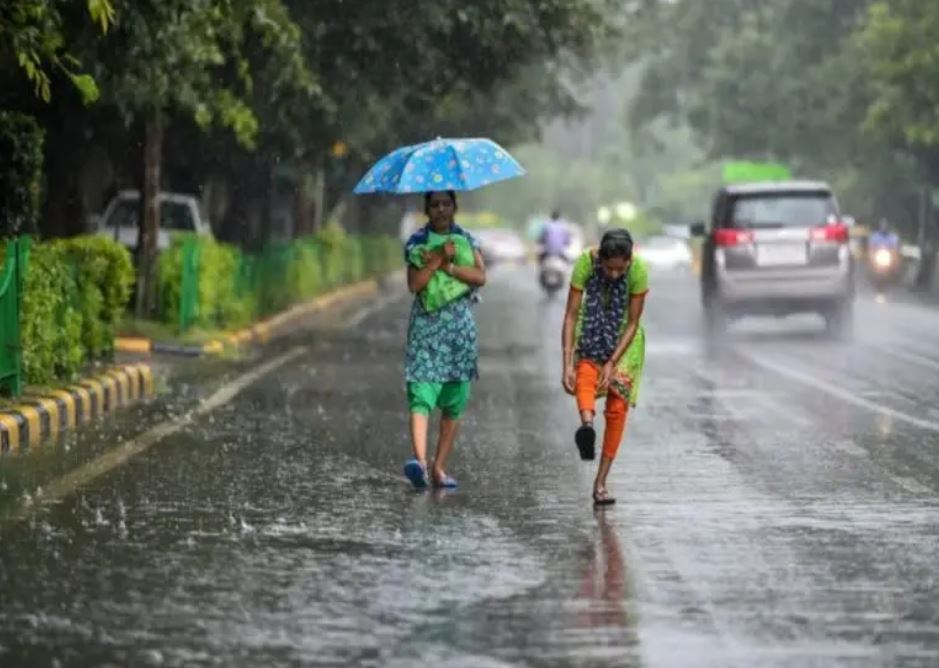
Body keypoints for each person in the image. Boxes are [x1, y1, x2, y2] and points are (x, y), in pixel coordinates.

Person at [402, 190, 487, 490]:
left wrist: (450, 265)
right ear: (427, 208)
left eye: (446, 204)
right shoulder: (417, 243)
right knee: (421, 391)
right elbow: (415, 284)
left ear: (454, 207)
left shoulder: (467, 240)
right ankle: (420, 464)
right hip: (427, 327)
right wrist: (437, 258)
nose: (441, 209)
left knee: (454, 399)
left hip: (459, 331)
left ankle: (439, 468)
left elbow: (480, 277)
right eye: (435, 205)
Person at [561, 229, 648, 506]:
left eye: (619, 269)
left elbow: (633, 322)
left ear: (629, 260)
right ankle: (587, 427)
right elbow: (572, 314)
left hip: (626, 340)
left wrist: (612, 362)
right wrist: (566, 363)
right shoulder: (585, 264)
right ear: (600, 258)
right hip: (591, 329)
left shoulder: (639, 270)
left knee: (617, 408)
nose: (613, 275)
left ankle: (601, 483)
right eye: (608, 268)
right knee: (584, 375)